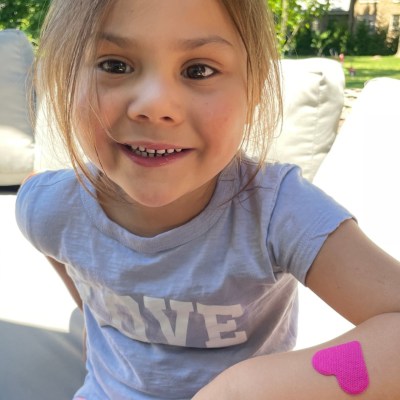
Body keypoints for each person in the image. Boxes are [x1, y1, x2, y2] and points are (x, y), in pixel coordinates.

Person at [15, 0, 400, 399]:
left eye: (198, 70)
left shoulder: (278, 211)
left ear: (254, 89)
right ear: (63, 77)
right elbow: (65, 256)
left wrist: (241, 389)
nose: (155, 106)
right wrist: (92, 324)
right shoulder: (48, 207)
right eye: (115, 65)